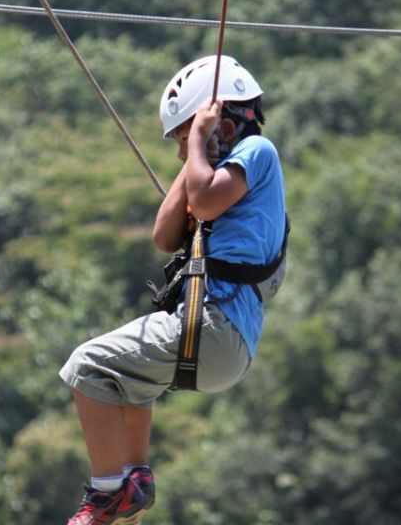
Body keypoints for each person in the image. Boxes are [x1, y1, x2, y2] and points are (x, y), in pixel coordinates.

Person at [59, 54, 287, 525]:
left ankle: (106, 496)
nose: (183, 155)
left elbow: (204, 201)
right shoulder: (213, 172)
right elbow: (165, 235)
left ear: (224, 127)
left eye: (184, 141)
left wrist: (200, 141)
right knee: (126, 379)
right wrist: (196, 153)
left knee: (87, 366)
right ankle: (134, 475)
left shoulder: (258, 153)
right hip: (216, 336)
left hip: (215, 326)